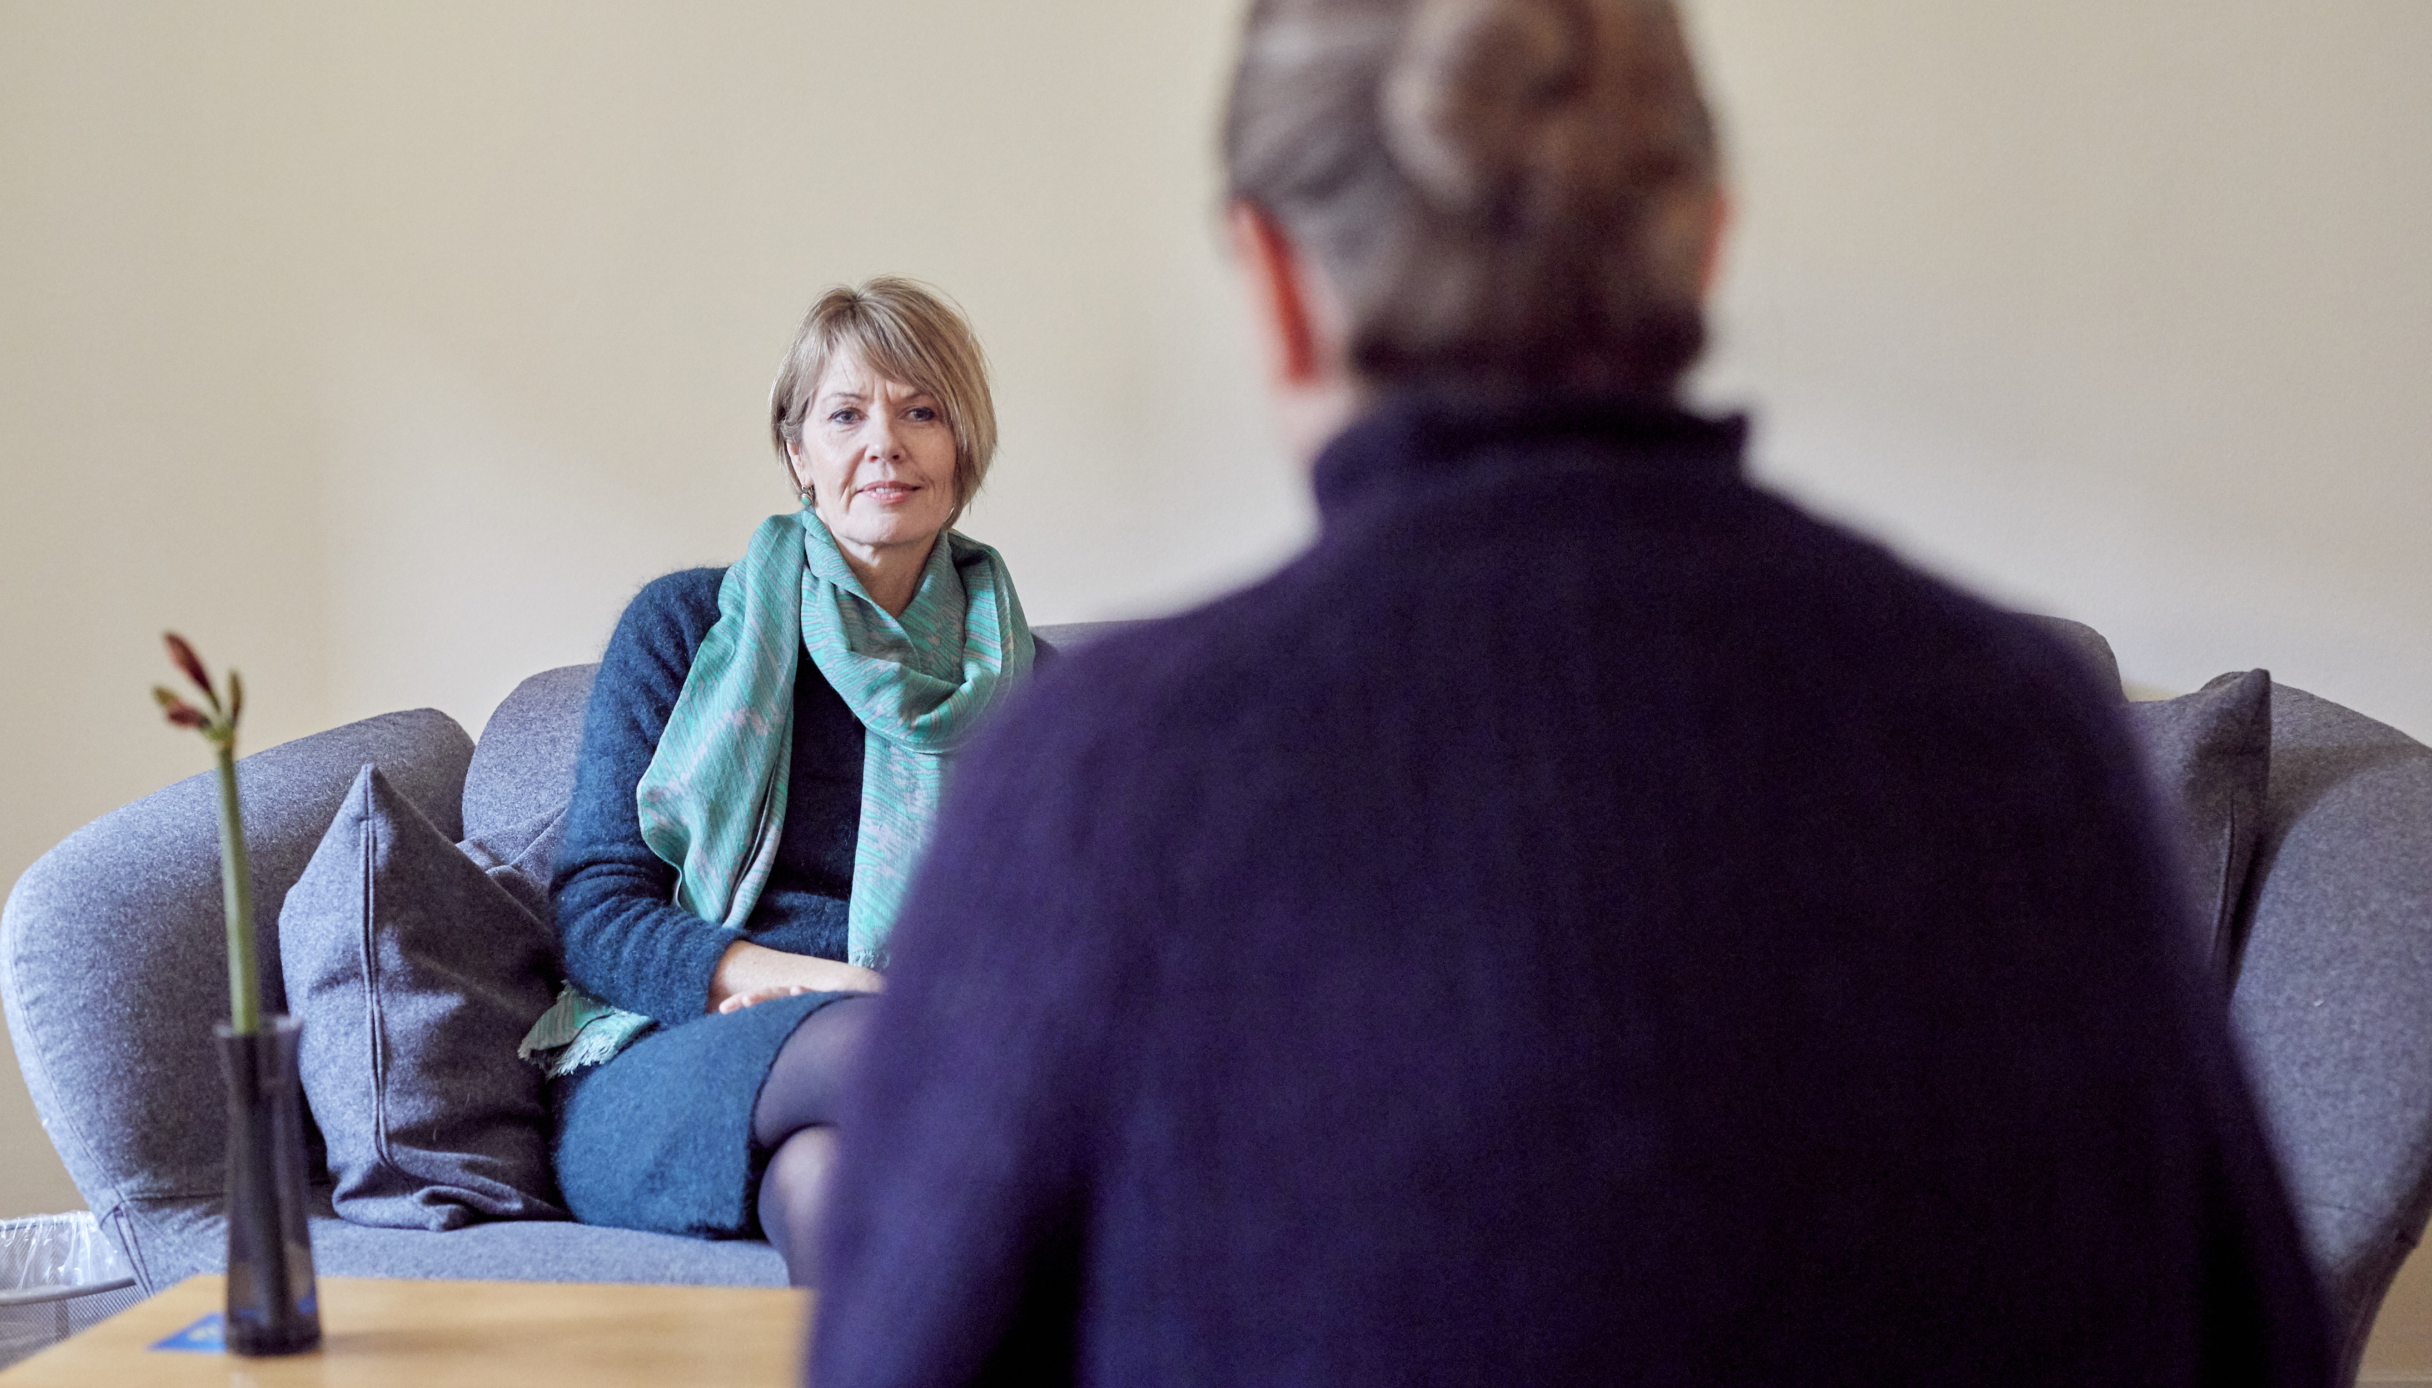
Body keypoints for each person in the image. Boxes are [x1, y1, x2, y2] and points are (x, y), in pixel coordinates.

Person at [806, 2, 2336, 1383]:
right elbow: (2249, 1339)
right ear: (1704, 243)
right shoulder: (2024, 734)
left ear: (1272, 281)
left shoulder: (1099, 774)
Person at [522, 277, 1034, 1286]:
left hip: (905, 1044)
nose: (884, 441)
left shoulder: (1030, 687)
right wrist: (842, 988)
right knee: (897, 1049)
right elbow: (596, 909)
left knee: (828, 1184)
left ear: (961, 446)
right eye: (846, 414)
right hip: (674, 1057)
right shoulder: (685, 629)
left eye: (920, 410)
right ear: (798, 451)